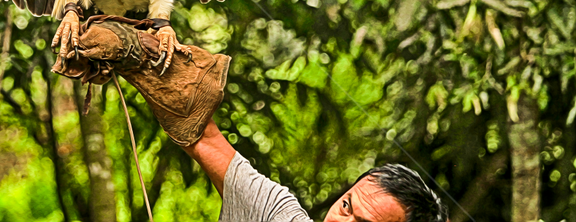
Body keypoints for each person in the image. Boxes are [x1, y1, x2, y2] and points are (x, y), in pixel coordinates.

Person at [53, 17, 449, 222]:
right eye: (346, 206)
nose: (339, 221)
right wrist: (133, 51)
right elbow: (202, 135)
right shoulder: (279, 215)